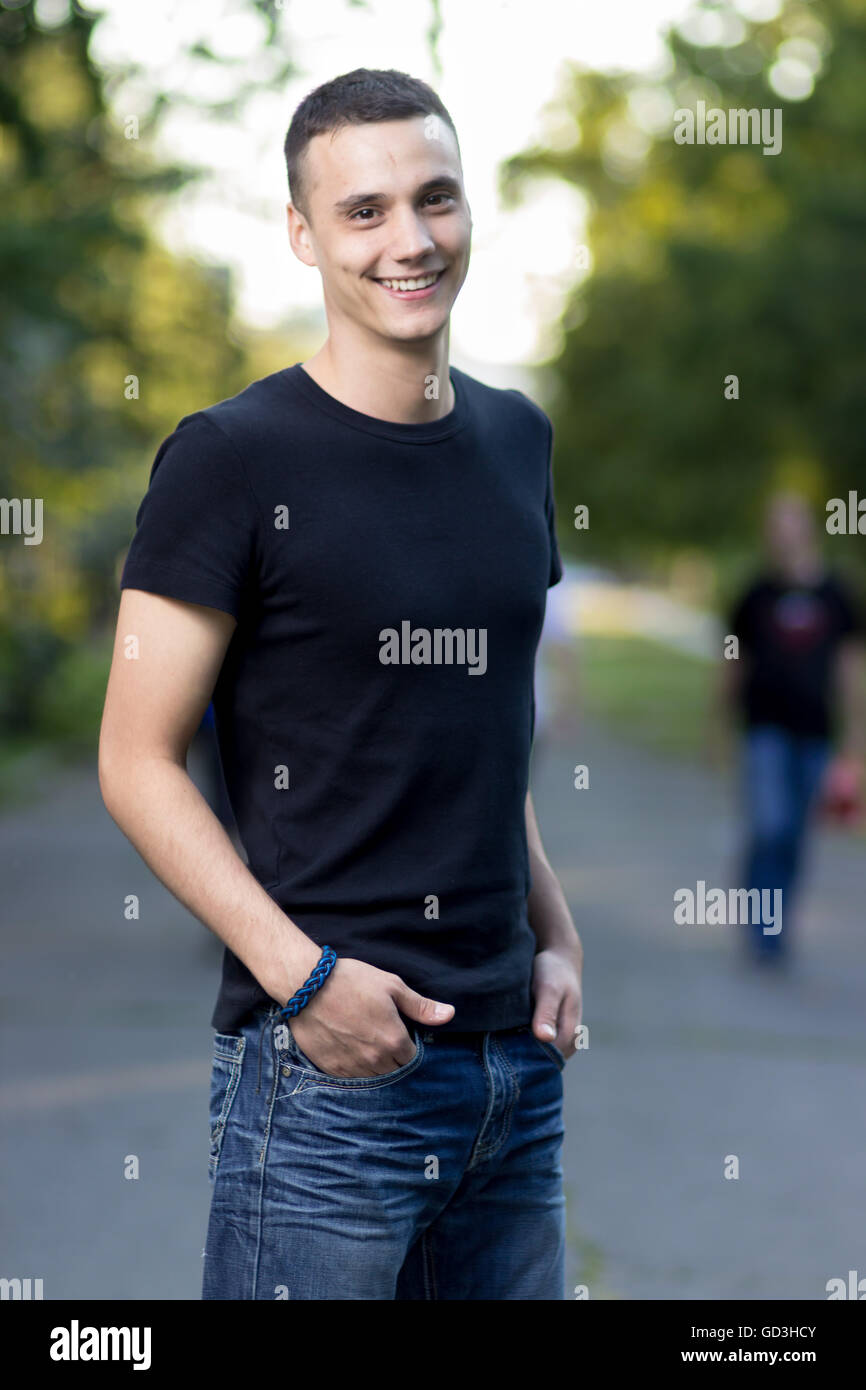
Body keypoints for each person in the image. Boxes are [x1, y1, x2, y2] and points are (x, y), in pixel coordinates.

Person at [98, 68, 583, 1300]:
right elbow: (134, 757)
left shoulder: (517, 440)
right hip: (328, 1085)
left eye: (435, 199)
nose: (408, 240)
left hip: (510, 1082)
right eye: (363, 211)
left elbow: (484, 732)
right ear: (303, 236)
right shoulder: (229, 457)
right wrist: (305, 980)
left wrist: (556, 930)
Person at [722, 493, 864, 965]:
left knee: (797, 834)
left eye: (790, 523)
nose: (782, 533)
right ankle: (762, 927)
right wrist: (718, 724)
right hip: (763, 727)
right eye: (774, 524)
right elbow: (732, 660)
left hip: (816, 731)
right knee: (770, 824)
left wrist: (856, 735)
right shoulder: (755, 593)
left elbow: (850, 667)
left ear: (807, 529)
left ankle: (777, 924)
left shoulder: (836, 595)